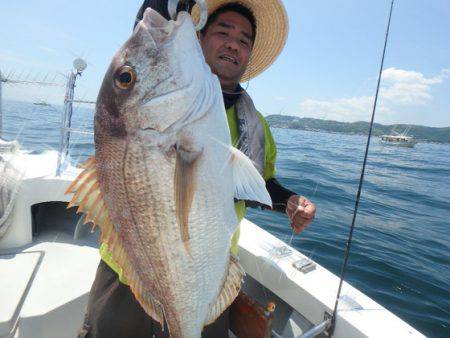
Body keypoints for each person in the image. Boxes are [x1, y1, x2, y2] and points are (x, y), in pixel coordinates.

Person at [78, 1, 316, 337]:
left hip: (207, 271)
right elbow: (151, 22)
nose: (234, 43)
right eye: (223, 32)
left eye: (244, 40)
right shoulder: (173, 87)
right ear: (199, 36)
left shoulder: (256, 125)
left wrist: (289, 201)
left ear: (248, 57)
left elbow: (259, 185)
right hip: (128, 270)